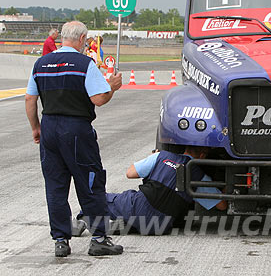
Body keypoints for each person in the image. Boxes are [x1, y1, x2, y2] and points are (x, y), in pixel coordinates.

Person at [24, 21, 124, 257]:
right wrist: (112, 87)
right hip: (77, 129)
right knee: (90, 182)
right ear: (81, 40)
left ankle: (60, 240)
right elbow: (98, 99)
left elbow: (30, 99)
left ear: (61, 39)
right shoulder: (84, 63)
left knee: (55, 187)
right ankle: (99, 238)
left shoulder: (41, 63)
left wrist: (36, 128)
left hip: (49, 126)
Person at [75, 146, 227, 236]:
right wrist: (226, 186)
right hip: (163, 225)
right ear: (202, 156)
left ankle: (82, 218)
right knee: (137, 218)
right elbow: (222, 205)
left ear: (185, 148)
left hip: (140, 205)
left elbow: (130, 173)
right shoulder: (199, 176)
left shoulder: (162, 156)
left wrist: (152, 158)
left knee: (105, 198)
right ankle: (124, 224)